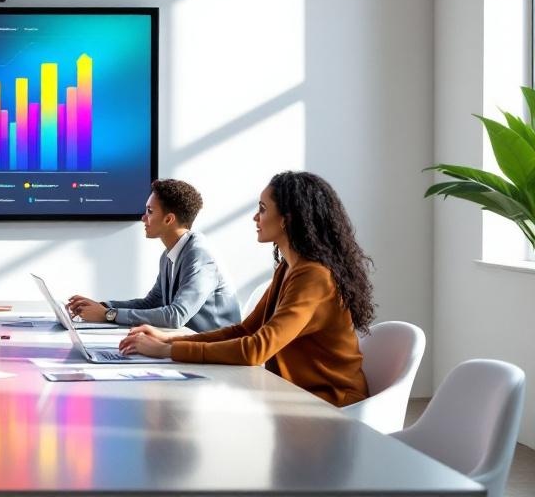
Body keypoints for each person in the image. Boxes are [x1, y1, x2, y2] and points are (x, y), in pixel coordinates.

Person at [119, 171, 375, 407]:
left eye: (262, 209)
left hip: (331, 404)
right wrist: (170, 340)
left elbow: (256, 349)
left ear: (287, 220)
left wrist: (166, 350)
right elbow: (245, 330)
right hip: (296, 396)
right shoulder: (288, 268)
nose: (255, 217)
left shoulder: (313, 277)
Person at [66, 179, 239, 332]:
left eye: (150, 211)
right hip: (186, 345)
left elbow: (176, 316)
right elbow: (151, 303)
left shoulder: (199, 255)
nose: (143, 218)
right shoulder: (169, 255)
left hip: (215, 353)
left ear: (168, 219)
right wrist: (102, 307)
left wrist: (109, 315)